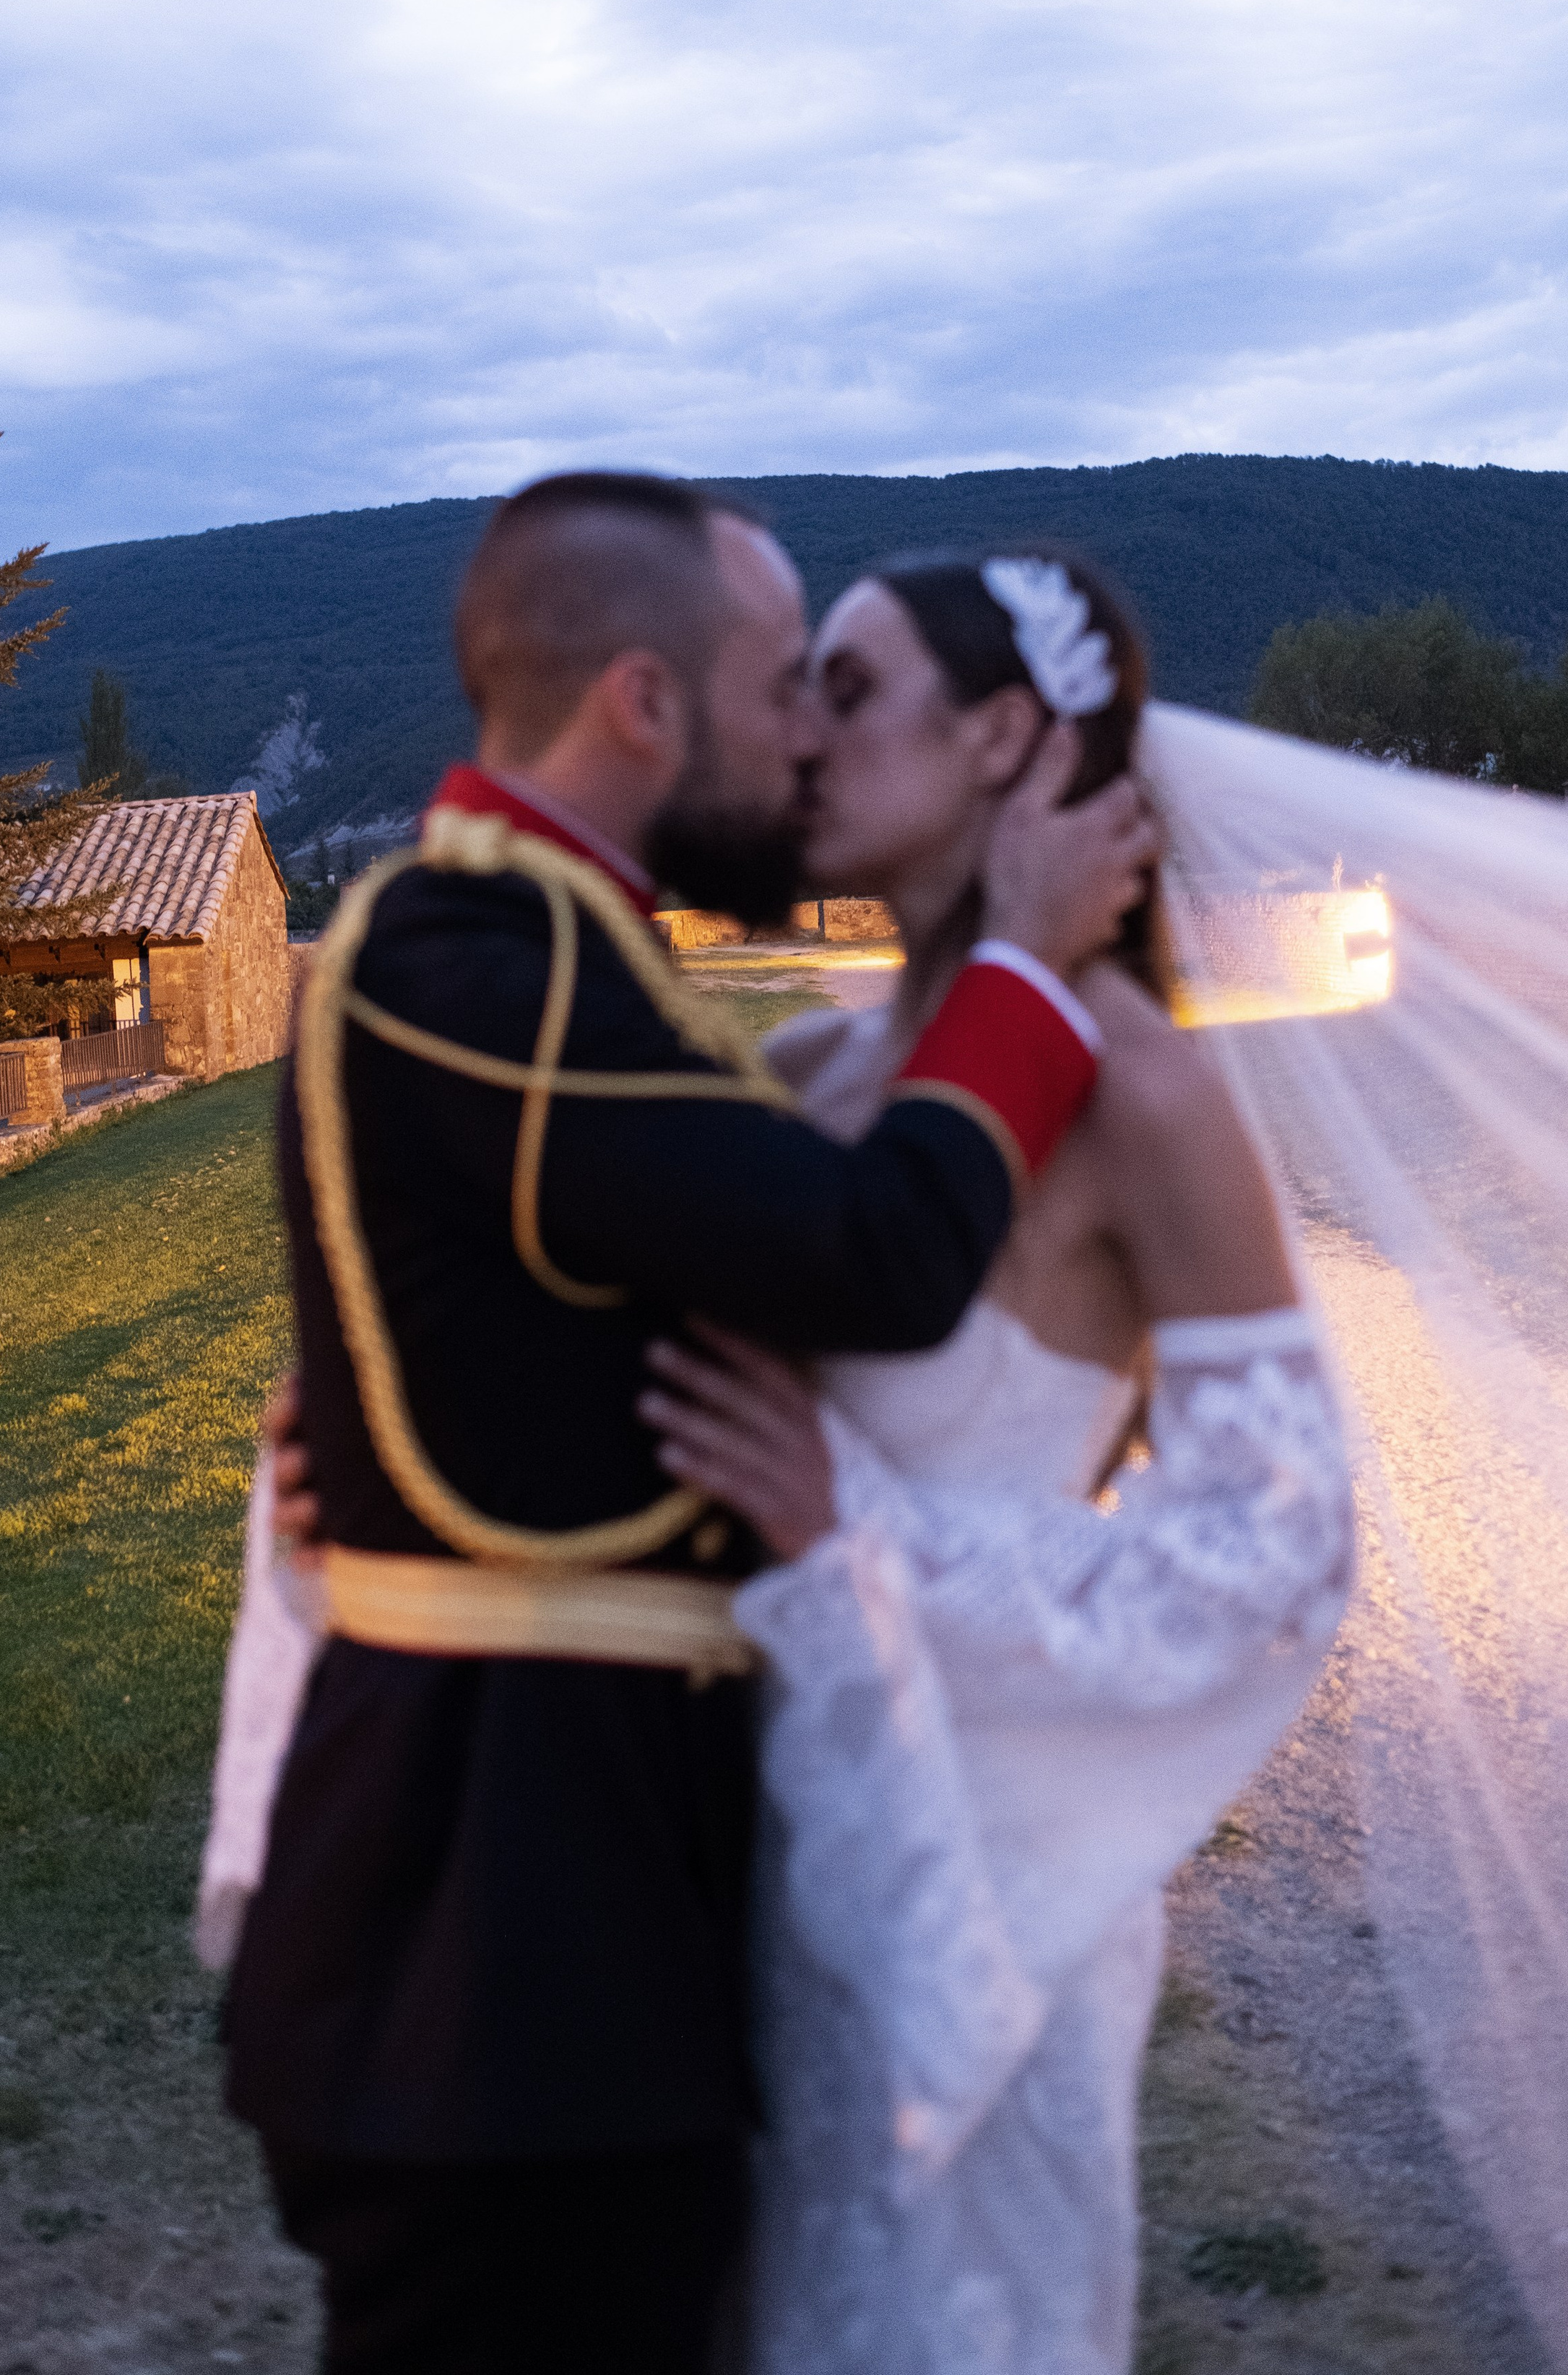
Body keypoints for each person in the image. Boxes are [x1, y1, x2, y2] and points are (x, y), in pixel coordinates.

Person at [216, 475, 1157, 2375]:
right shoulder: (475, 959)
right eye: (776, 684)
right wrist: (1034, 968)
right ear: (645, 703)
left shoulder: (559, 959)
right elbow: (881, 1253)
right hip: (497, 1951)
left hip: (572, 1935)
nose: (806, 731)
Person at [637, 552, 1355, 2374]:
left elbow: (1273, 1552)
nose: (797, 734)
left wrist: (846, 1531)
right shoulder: (807, 1074)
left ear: (1004, 737)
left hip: (981, 1895)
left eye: (849, 689)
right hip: (741, 1878)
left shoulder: (1142, 1101)